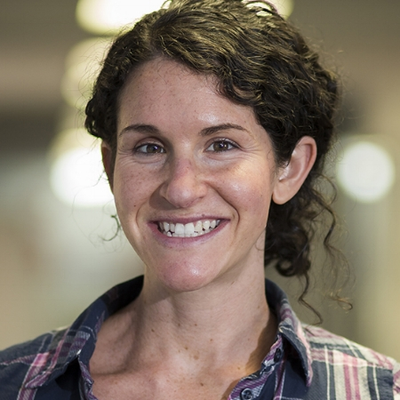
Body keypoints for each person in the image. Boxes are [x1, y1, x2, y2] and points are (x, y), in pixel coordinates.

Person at [1, 0, 399, 398]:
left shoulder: (376, 390)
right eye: (149, 148)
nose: (180, 188)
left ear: (290, 168)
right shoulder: (14, 384)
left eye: (221, 145)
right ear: (111, 165)